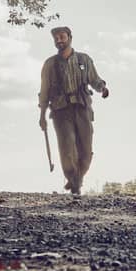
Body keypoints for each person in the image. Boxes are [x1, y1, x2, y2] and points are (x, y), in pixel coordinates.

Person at [38, 26, 109, 197]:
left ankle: (77, 178)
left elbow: (95, 79)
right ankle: (74, 182)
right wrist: (42, 116)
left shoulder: (84, 60)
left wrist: (103, 89)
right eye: (56, 38)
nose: (59, 40)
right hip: (60, 110)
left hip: (82, 107)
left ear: (70, 37)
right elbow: (44, 91)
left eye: (62, 37)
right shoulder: (50, 64)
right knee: (67, 147)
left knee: (86, 149)